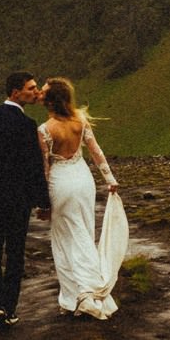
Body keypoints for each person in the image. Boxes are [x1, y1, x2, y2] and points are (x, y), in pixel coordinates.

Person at [38, 76, 128, 319]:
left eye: (43, 92)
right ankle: (77, 297)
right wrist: (110, 179)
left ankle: (85, 293)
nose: (39, 95)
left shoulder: (45, 130)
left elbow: (45, 168)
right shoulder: (80, 121)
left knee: (66, 238)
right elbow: (96, 151)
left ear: (50, 101)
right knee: (84, 232)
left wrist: (43, 203)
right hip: (83, 180)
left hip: (61, 183)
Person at [0, 72, 52, 332]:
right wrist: (42, 200)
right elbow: (34, 167)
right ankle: (9, 308)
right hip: (18, 200)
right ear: (15, 92)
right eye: (31, 88)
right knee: (15, 253)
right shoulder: (27, 125)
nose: (35, 92)